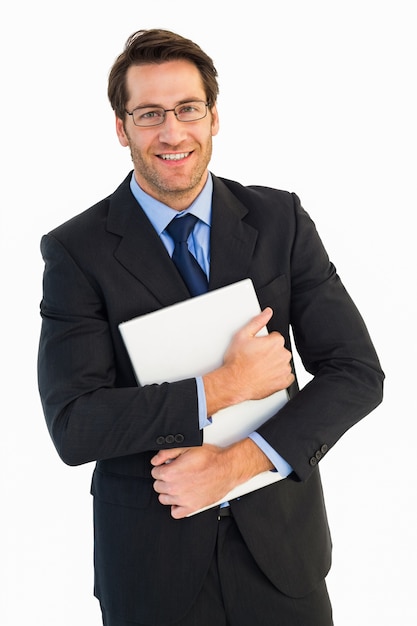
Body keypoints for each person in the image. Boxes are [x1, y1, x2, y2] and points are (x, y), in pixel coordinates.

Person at [37, 28, 384, 626]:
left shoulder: (281, 220)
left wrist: (236, 463)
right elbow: (74, 425)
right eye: (149, 114)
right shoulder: (77, 251)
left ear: (213, 116)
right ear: (121, 128)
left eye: (187, 109)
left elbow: (356, 374)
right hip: (152, 567)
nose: (172, 133)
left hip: (283, 556)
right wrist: (220, 388)